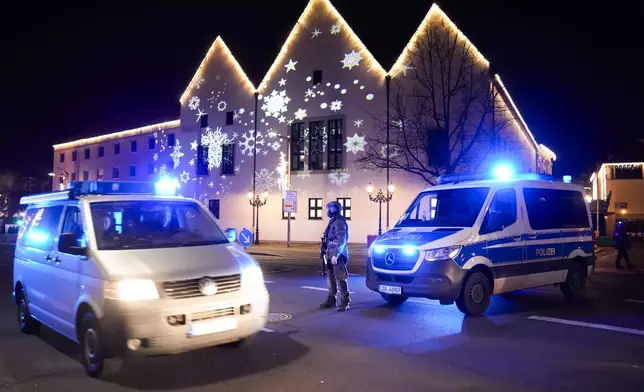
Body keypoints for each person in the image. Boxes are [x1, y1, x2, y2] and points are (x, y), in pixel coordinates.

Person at [319, 201, 350, 311]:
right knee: (331, 278)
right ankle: (331, 299)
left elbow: (342, 240)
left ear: (334, 210)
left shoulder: (339, 222)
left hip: (337, 255)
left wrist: (336, 255)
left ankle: (345, 301)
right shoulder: (333, 221)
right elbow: (328, 238)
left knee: (340, 278)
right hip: (330, 253)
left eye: (329, 209)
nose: (327, 212)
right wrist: (324, 249)